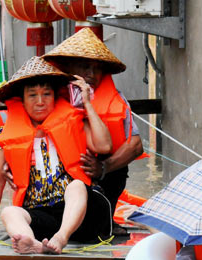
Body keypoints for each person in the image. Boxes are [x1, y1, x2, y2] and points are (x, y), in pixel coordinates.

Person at [0, 57, 113, 254]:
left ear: (55, 96)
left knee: (77, 185)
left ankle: (61, 237)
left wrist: (86, 103)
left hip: (84, 212)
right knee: (10, 212)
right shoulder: (4, 134)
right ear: (22, 100)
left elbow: (104, 146)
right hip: (41, 215)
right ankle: (32, 244)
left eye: (46, 94)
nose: (40, 102)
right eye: (33, 95)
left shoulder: (75, 122)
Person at [43, 28, 144, 203]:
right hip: (59, 174)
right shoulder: (46, 95)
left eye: (97, 69)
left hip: (103, 173)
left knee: (115, 167)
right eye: (85, 66)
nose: (91, 74)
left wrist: (103, 167)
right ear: (67, 66)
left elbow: (136, 146)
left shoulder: (115, 99)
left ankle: (105, 216)